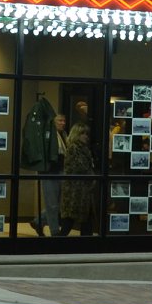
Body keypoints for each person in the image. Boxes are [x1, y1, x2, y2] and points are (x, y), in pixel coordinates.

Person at [19, 92, 61, 235]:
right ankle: (54, 231)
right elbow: (32, 139)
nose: (61, 123)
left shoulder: (62, 135)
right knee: (52, 203)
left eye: (63, 121)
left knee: (59, 204)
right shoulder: (42, 125)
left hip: (59, 169)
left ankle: (39, 221)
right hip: (49, 169)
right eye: (59, 121)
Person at [60, 99, 97, 236]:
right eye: (83, 134)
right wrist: (91, 173)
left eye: (87, 134)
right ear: (77, 134)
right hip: (75, 191)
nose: (86, 136)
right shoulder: (73, 149)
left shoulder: (83, 148)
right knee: (70, 221)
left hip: (82, 190)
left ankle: (85, 244)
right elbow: (80, 167)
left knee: (85, 220)